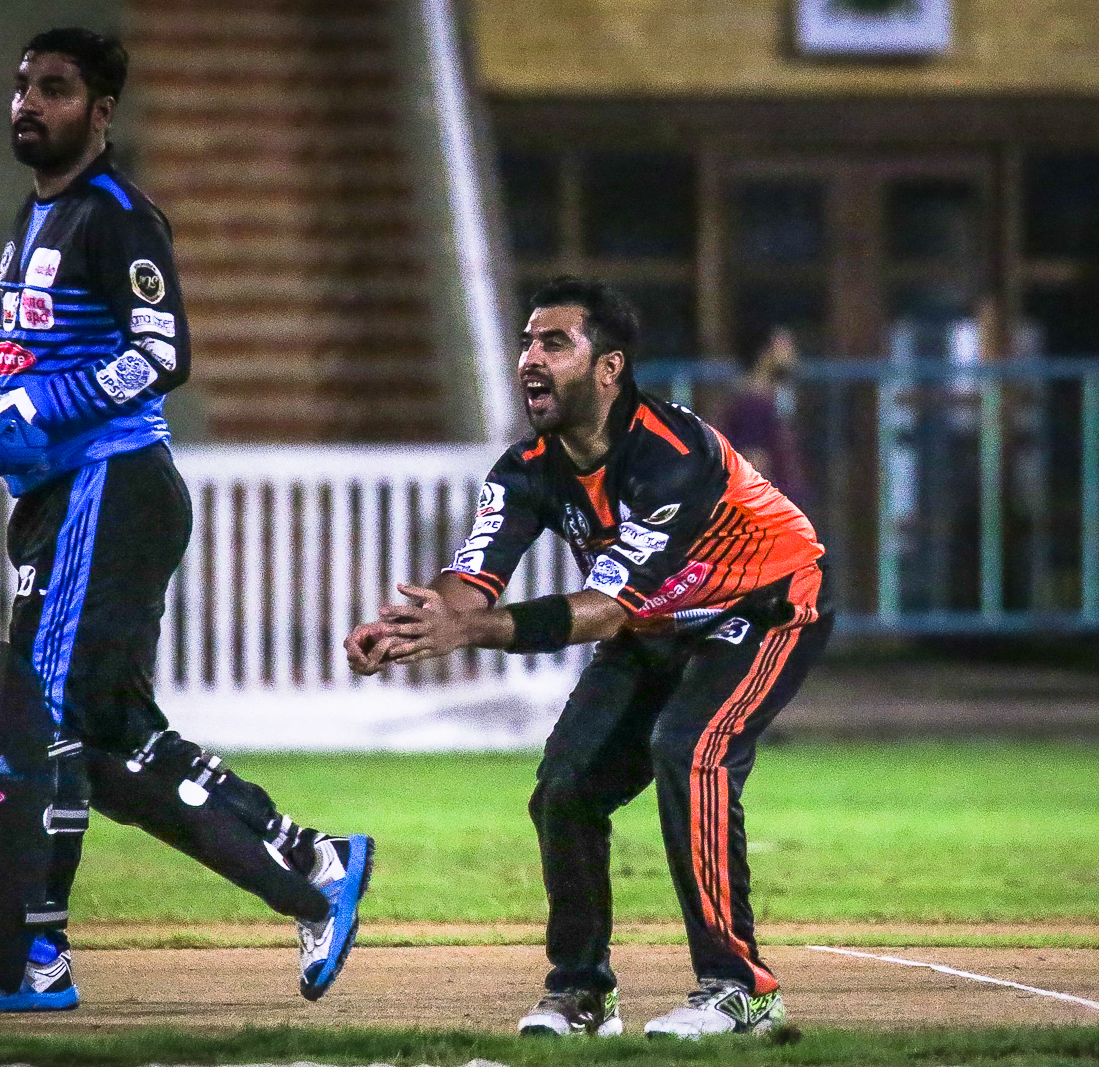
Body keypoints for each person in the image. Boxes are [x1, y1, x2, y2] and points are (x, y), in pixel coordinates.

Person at [0, 28, 372, 1013]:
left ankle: (21, 962)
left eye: (55, 89)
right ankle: (309, 864)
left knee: (24, 720)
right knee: (103, 747)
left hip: (109, 487)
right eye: (22, 86)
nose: (28, 103)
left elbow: (159, 354)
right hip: (68, 499)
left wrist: (33, 408)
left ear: (101, 113)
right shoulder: (35, 217)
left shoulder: (115, 215)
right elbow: (30, 357)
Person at [346, 277, 832, 1039]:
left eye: (554, 342)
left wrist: (467, 632)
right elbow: (472, 579)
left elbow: (606, 609)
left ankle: (743, 990)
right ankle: (581, 993)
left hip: (765, 603)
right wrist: (419, 620)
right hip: (660, 621)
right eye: (526, 343)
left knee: (689, 748)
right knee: (564, 785)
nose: (529, 359)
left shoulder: (674, 454)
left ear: (609, 368)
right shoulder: (525, 467)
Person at [718, 325, 807, 506]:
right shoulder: (751, 398)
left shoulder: (781, 392)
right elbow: (754, 456)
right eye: (784, 345)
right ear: (765, 351)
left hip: (784, 489)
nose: (791, 352)